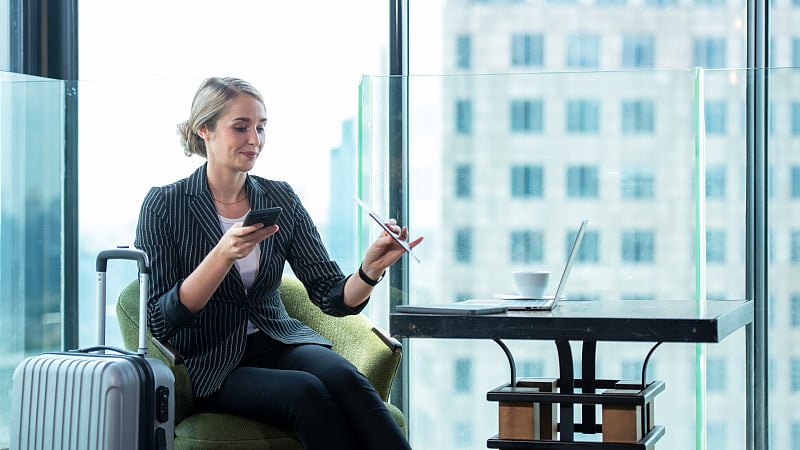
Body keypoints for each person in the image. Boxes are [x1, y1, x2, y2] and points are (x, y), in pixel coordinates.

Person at [134, 76, 422, 450]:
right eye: (241, 127)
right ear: (204, 129)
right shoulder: (164, 205)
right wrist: (223, 255)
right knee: (305, 393)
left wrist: (370, 269)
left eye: (261, 127)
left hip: (278, 341)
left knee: (345, 378)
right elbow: (159, 318)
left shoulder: (279, 196)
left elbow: (330, 296)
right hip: (212, 361)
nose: (255, 140)